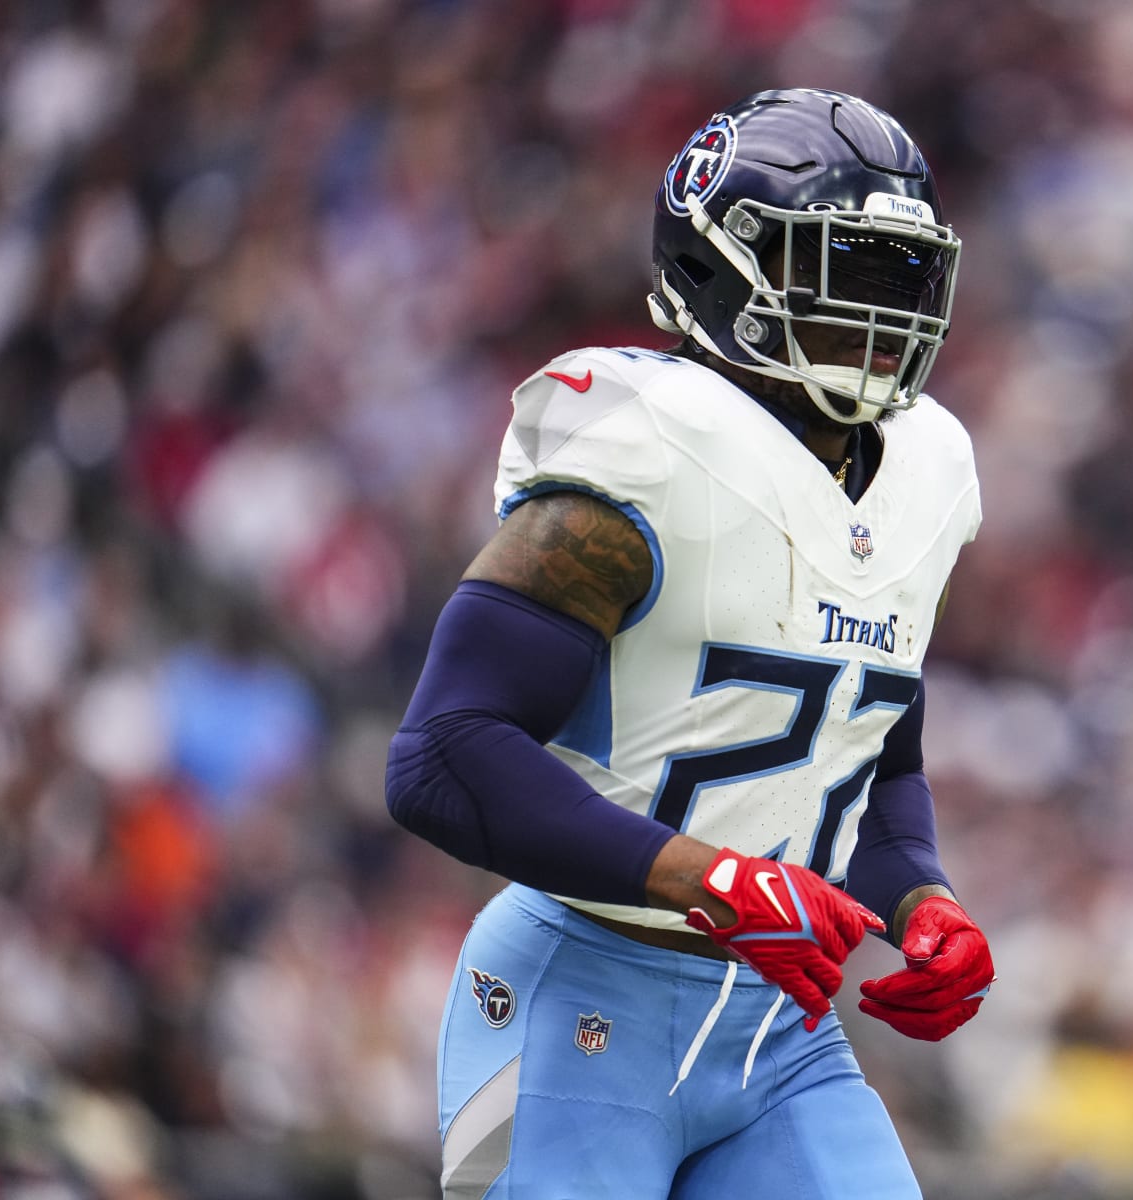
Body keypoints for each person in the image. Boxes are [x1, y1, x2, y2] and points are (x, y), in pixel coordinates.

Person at [384, 87, 996, 1198]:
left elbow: (869, 764)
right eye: (845, 275)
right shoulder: (648, 448)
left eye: (903, 282)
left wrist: (923, 900)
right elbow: (442, 752)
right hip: (579, 1004)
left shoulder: (927, 472)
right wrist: (710, 878)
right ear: (725, 270)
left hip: (778, 1033)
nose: (881, 317)